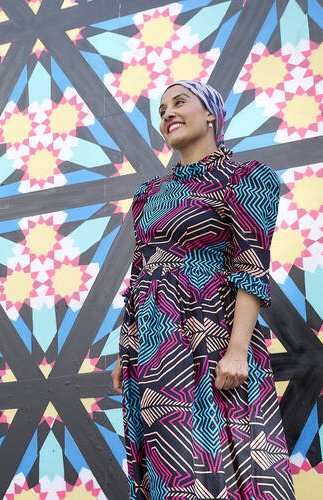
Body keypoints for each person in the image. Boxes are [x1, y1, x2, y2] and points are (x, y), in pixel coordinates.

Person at [111, 80, 296, 499]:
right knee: (168, 461)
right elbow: (140, 272)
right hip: (152, 344)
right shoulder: (149, 193)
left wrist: (238, 350)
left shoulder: (245, 177)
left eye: (179, 103)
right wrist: (126, 349)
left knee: (221, 453)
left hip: (211, 332)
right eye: (162, 110)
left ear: (212, 114)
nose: (168, 114)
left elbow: (250, 265)